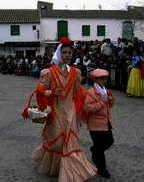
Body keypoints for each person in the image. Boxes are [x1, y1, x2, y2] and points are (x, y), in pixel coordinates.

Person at [22, 37, 96, 182]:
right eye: (65, 52)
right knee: (56, 141)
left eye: (70, 53)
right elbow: (41, 88)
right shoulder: (49, 72)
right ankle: (55, 166)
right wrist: (50, 93)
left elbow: (78, 91)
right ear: (59, 53)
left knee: (70, 142)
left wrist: (91, 98)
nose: (67, 55)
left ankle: (71, 171)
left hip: (70, 110)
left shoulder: (75, 72)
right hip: (55, 109)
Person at [83, 69, 115, 179]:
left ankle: (94, 150)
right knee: (100, 149)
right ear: (95, 80)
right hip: (95, 125)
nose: (104, 80)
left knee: (110, 141)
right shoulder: (91, 92)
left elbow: (109, 106)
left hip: (106, 123)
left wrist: (110, 100)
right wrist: (102, 102)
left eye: (105, 78)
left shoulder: (104, 91)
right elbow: (87, 108)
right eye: (102, 78)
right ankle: (102, 169)